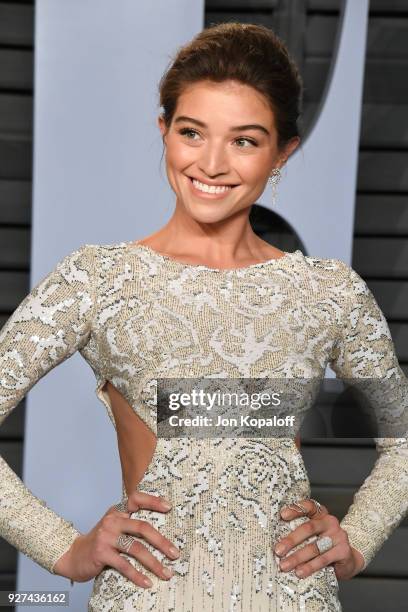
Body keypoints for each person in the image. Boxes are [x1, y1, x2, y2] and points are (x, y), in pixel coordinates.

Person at [1, 22, 407, 612]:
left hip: (292, 598)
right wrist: (65, 550)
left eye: (244, 140)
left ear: (283, 152)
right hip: (153, 597)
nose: (212, 163)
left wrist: (359, 539)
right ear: (164, 130)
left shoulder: (328, 292)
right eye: (192, 132)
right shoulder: (98, 281)